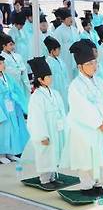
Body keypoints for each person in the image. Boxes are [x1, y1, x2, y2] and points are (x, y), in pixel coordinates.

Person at [60, 41, 103, 196]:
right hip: (86, 129)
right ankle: (87, 185)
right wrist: (97, 123)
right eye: (90, 63)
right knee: (86, 158)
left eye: (95, 62)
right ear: (80, 67)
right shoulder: (75, 86)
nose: (94, 66)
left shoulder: (100, 82)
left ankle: (99, 183)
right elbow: (81, 108)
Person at [22, 57, 68, 188]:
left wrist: (65, 127)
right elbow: (36, 118)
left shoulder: (55, 93)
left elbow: (62, 111)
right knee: (45, 153)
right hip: (46, 129)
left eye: (50, 76)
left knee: (55, 152)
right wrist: (42, 135)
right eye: (47, 76)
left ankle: (52, 176)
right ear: (40, 80)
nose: (50, 78)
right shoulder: (36, 97)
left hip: (56, 128)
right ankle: (44, 179)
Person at [0, 53, 29, 164]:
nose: (3, 65)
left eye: (3, 63)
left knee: (13, 128)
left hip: (11, 106)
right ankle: (2, 153)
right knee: (3, 131)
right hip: (2, 108)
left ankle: (11, 152)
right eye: (1, 63)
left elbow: (17, 90)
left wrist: (18, 100)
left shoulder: (7, 77)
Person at [44, 36, 71, 112]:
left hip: (64, 88)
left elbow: (66, 75)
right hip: (56, 89)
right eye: (58, 49)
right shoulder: (48, 62)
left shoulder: (60, 60)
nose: (60, 51)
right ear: (52, 50)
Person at [0, 34, 30, 99]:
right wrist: (19, 71)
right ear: (4, 46)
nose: (13, 46)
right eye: (10, 44)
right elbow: (6, 71)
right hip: (11, 84)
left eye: (13, 44)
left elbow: (24, 68)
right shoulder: (2, 58)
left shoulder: (17, 56)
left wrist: (21, 70)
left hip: (20, 83)